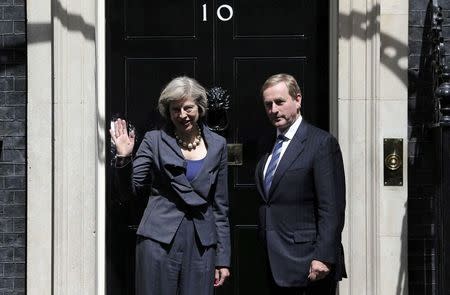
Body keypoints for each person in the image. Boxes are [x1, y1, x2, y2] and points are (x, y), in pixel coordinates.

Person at [110, 76, 231, 295]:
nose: (182, 115)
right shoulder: (153, 140)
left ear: (200, 107)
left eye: (188, 108)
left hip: (201, 242)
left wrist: (222, 258)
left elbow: (220, 206)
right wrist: (123, 157)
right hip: (158, 239)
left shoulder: (218, 145)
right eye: (176, 109)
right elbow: (129, 191)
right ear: (168, 111)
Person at [254, 74, 346, 295]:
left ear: (298, 99)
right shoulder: (266, 144)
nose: (273, 110)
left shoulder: (321, 143)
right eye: (268, 104)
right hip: (272, 261)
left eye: (279, 102)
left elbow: (331, 206)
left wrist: (323, 256)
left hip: (308, 264)